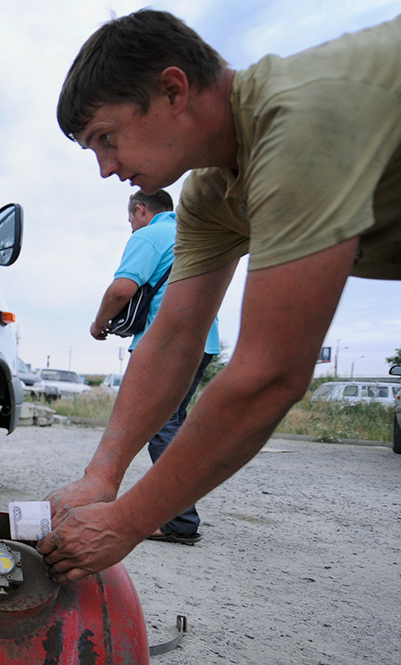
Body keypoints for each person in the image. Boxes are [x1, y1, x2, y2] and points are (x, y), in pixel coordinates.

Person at [38, 10, 401, 584]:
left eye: (106, 138)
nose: (106, 168)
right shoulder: (210, 192)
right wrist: (102, 474)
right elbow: (175, 335)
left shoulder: (297, 122)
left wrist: (127, 520)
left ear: (173, 90)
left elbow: (270, 375)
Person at [91, 189, 222, 544]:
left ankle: (180, 520)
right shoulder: (195, 233)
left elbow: (122, 290)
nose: (131, 226)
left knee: (160, 425)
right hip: (204, 341)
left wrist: (98, 324)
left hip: (167, 343)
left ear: (140, 209)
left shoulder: (150, 235)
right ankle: (178, 511)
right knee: (172, 422)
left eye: (131, 218)